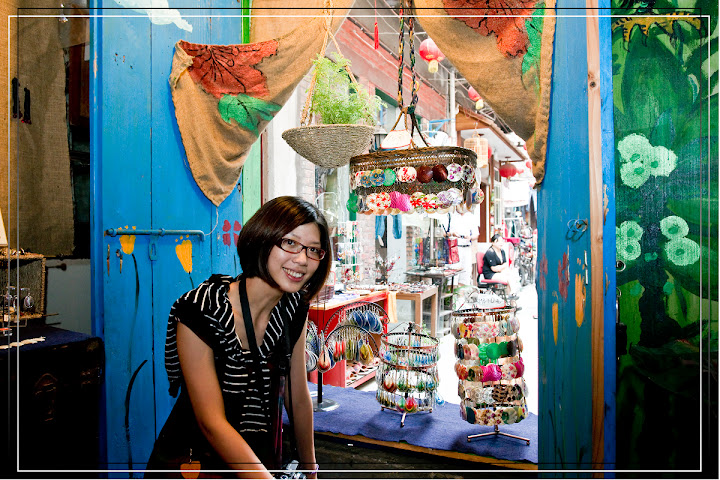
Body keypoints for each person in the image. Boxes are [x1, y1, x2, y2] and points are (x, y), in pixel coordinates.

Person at [146, 196, 330, 479]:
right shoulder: (201, 310)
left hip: (256, 458)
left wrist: (311, 470)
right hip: (195, 463)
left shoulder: (293, 308)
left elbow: (297, 395)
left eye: (313, 250)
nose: (302, 259)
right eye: (290, 243)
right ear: (262, 238)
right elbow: (211, 423)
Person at [482, 233, 519, 300]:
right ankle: (512, 296)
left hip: (500, 272)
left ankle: (512, 298)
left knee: (512, 275)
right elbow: (494, 268)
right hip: (490, 274)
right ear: (493, 242)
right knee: (508, 278)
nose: (501, 243)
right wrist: (502, 267)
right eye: (498, 241)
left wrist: (501, 267)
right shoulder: (490, 252)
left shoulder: (502, 251)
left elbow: (505, 264)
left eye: (502, 241)